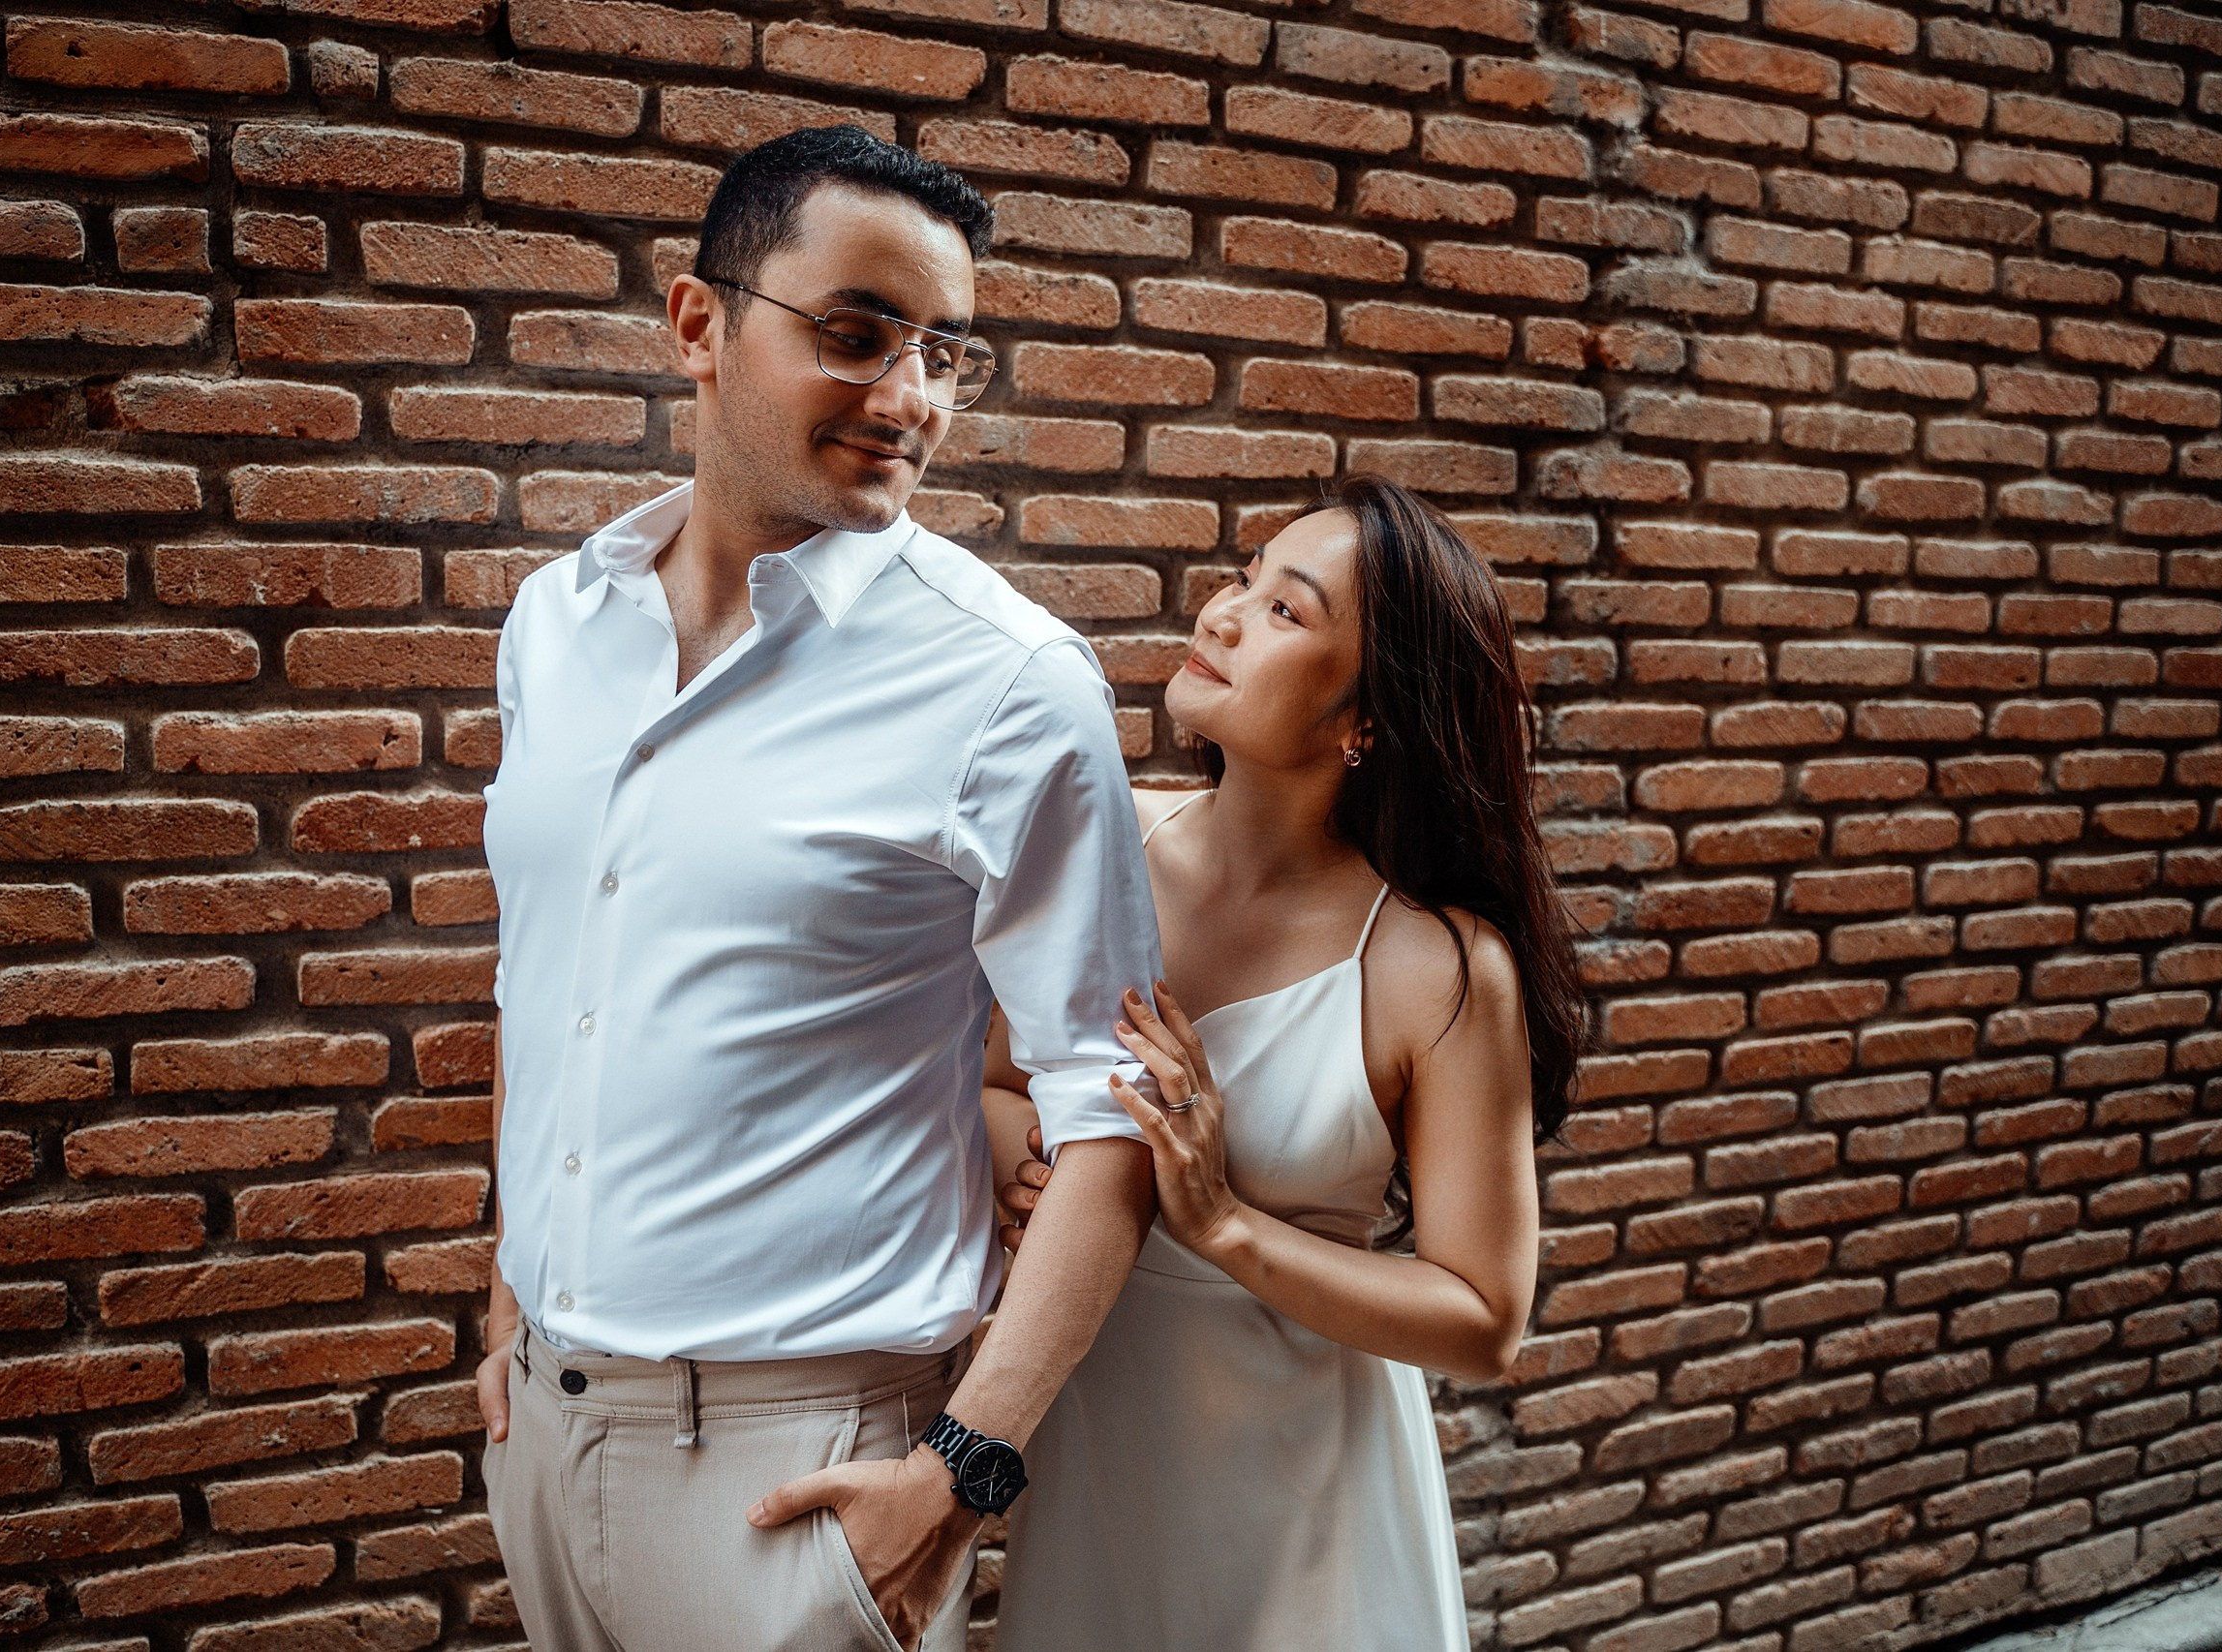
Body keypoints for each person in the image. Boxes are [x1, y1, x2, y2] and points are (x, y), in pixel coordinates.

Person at [475, 125, 1160, 1652]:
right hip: (541, 1419)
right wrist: (508, 1295)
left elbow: (1114, 1116)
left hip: (807, 1463)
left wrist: (967, 1466)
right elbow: (549, 977)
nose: (910, 400)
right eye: (855, 335)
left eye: (946, 354)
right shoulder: (553, 622)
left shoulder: (1010, 680)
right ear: (698, 323)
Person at [985, 475, 1588, 1652]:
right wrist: (1033, 1172)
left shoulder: (1437, 966)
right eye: (1243, 579)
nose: (1220, 613)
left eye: (1284, 611)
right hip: (1099, 1461)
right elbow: (1002, 1087)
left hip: (1315, 1506)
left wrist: (1221, 1223)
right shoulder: (1100, 844)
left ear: (1368, 717)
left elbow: (1482, 1316)